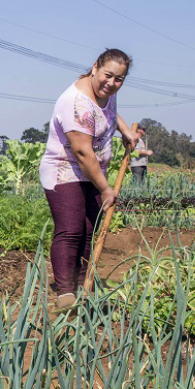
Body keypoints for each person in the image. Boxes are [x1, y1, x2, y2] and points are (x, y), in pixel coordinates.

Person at [38, 49, 138, 309]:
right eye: (108, 75)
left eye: (119, 79)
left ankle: (84, 284)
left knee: (90, 230)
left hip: (93, 173)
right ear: (95, 67)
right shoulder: (75, 102)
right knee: (71, 230)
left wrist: (125, 130)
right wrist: (105, 189)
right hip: (65, 171)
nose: (112, 83)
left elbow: (109, 114)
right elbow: (83, 153)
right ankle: (65, 291)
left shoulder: (106, 93)